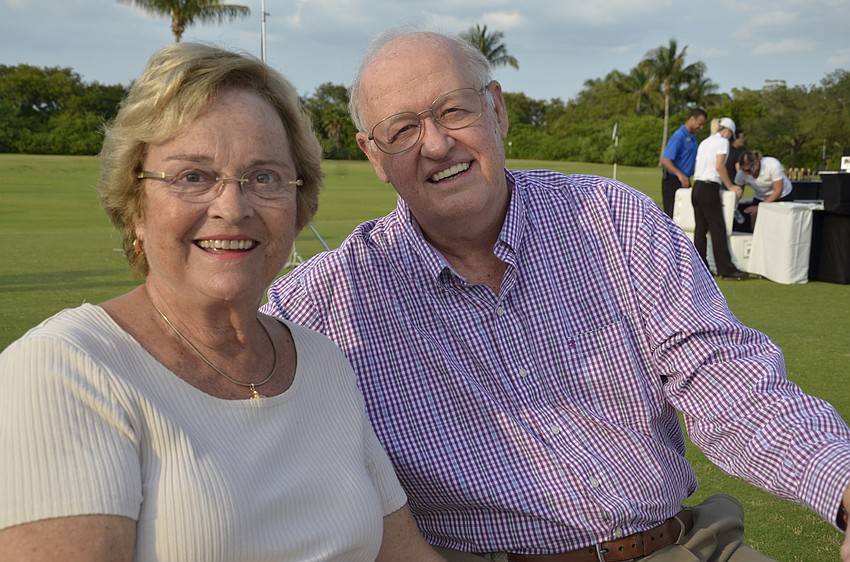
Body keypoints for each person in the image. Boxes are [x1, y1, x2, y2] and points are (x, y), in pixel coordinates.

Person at [264, 28, 850, 562]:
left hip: (682, 546)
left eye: (454, 110)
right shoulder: (323, 302)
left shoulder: (612, 220)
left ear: (496, 109)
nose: (438, 144)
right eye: (403, 129)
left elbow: (728, 384)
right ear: (375, 156)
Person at [0, 42, 448, 562]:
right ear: (136, 207)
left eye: (264, 177)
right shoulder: (67, 371)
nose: (232, 208)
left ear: (298, 206)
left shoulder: (322, 364)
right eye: (193, 176)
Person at [691, 117, 749, 280]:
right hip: (709, 187)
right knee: (717, 229)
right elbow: (719, 166)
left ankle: (699, 267)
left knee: (700, 230)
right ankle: (726, 269)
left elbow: (697, 166)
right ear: (729, 132)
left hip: (697, 186)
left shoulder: (704, 142)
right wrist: (730, 186)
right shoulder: (723, 142)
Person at [660, 108, 707, 217]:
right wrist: (680, 175)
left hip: (685, 179)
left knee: (684, 214)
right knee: (672, 214)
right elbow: (665, 159)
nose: (701, 128)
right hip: (673, 180)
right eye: (699, 124)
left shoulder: (693, 138)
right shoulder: (679, 136)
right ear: (691, 119)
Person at [734, 150, 794, 230]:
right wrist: (734, 203)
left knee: (781, 225)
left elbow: (778, 190)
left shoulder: (772, 165)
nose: (747, 173)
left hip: (782, 195)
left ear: (756, 162)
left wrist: (759, 206)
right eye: (744, 170)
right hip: (760, 196)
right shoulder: (742, 173)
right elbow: (739, 191)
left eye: (749, 170)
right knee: (755, 222)